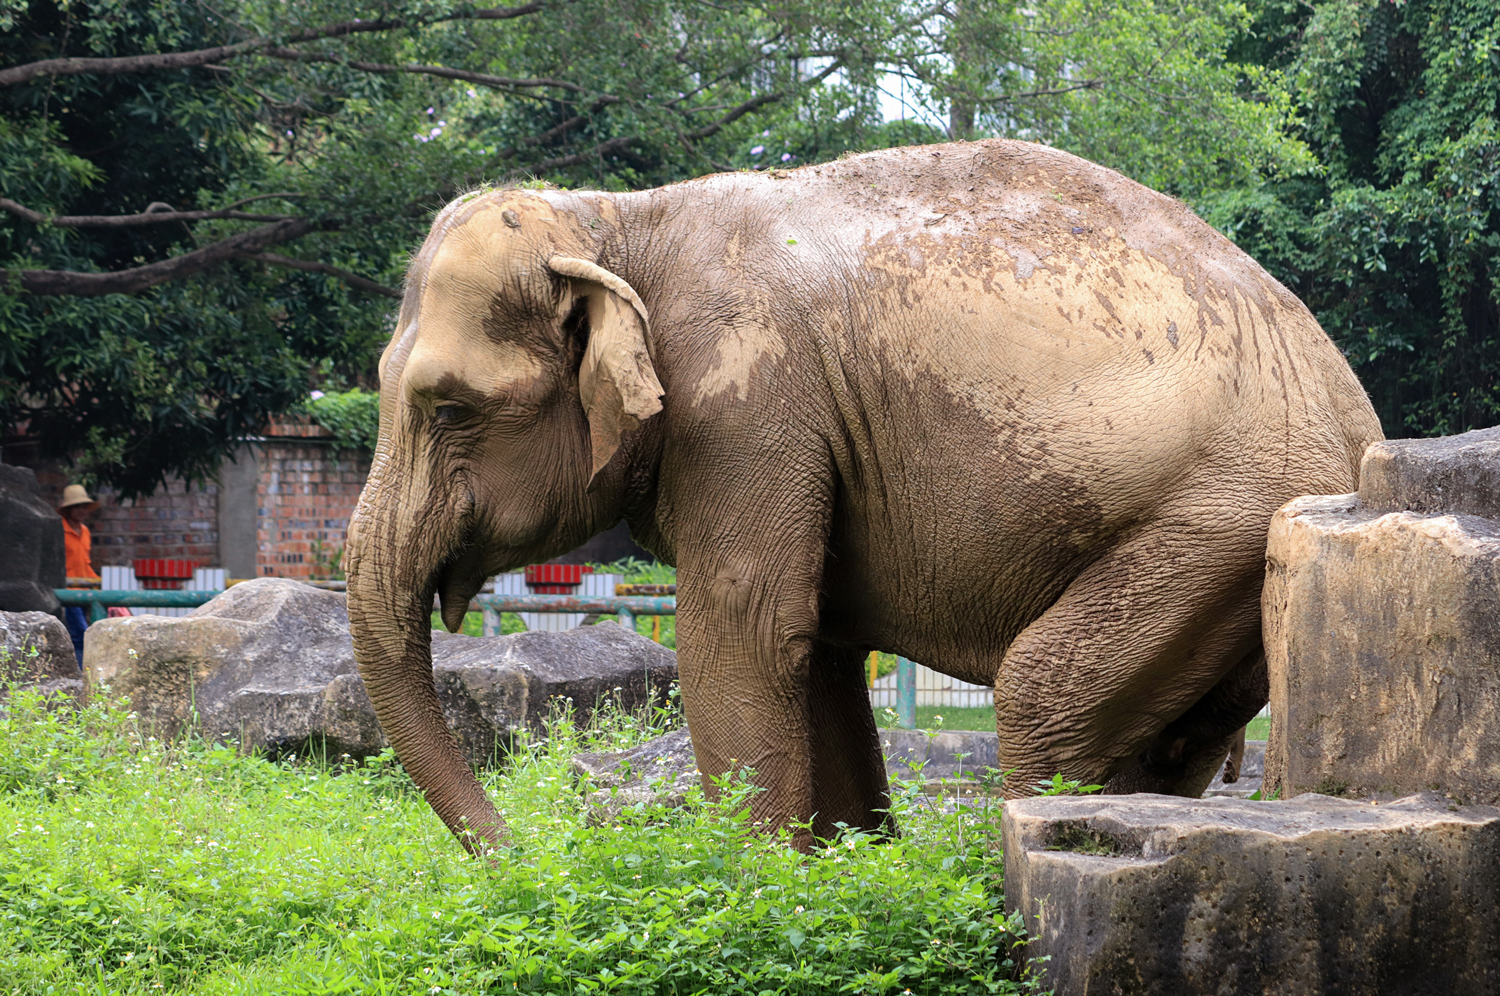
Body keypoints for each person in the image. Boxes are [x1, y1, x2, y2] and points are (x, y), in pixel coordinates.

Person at [59, 484, 99, 667]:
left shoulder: (85, 532)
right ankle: (81, 673)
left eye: (84, 506)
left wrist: (98, 583)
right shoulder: (59, 529)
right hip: (68, 591)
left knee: (83, 633)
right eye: (78, 506)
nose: (83, 511)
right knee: (82, 634)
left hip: (84, 590)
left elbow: (85, 563)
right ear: (68, 509)